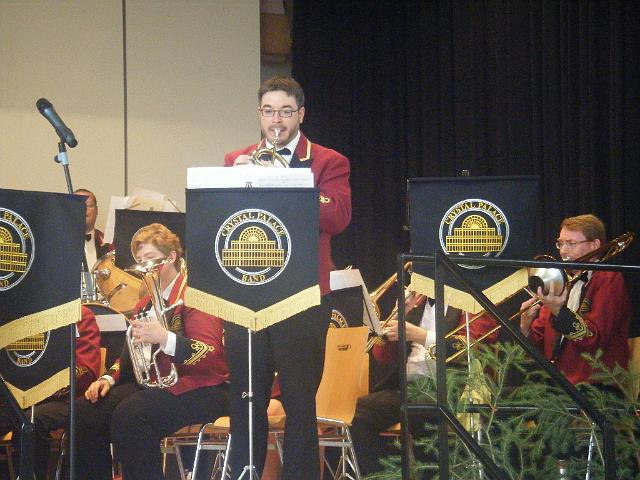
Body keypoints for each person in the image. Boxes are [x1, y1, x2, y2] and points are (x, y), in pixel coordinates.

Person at [224, 75, 351, 479]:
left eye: (285, 111)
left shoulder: (328, 161)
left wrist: (288, 181)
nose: (276, 120)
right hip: (247, 294)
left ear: (301, 114)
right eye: (268, 111)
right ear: (259, 114)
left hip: (303, 295)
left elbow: (337, 217)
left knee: (299, 403)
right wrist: (233, 182)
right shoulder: (236, 159)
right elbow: (223, 221)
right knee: (246, 399)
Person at [74, 223, 229, 479]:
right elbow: (131, 352)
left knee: (133, 415)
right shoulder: (145, 303)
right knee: (86, 412)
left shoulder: (196, 295)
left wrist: (164, 338)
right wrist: (108, 378)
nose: (145, 267)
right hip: (161, 384)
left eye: (151, 258)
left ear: (171, 257)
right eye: (140, 260)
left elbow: (208, 353)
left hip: (205, 387)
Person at [349, 292, 470, 476]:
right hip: (406, 387)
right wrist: (399, 315)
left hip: (448, 385)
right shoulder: (416, 302)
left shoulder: (468, 302)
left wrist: (421, 336)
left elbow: (470, 346)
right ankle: (380, 475)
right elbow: (382, 357)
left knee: (420, 409)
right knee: (357, 414)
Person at [520, 214, 631, 385]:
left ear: (594, 245)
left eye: (571, 243)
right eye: (560, 243)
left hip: (596, 386)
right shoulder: (560, 282)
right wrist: (525, 325)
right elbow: (539, 346)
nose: (563, 251)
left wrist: (558, 311)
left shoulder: (609, 278)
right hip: (557, 384)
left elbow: (592, 339)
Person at [1, 305, 101, 480]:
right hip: (19, 398)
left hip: (65, 399)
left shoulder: (79, 314)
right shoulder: (14, 316)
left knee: (31, 421)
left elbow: (86, 371)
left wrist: (40, 387)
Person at [73, 188, 112, 270]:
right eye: (77, 206)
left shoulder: (109, 245)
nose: (83, 210)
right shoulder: (58, 244)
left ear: (96, 210)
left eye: (88, 205)